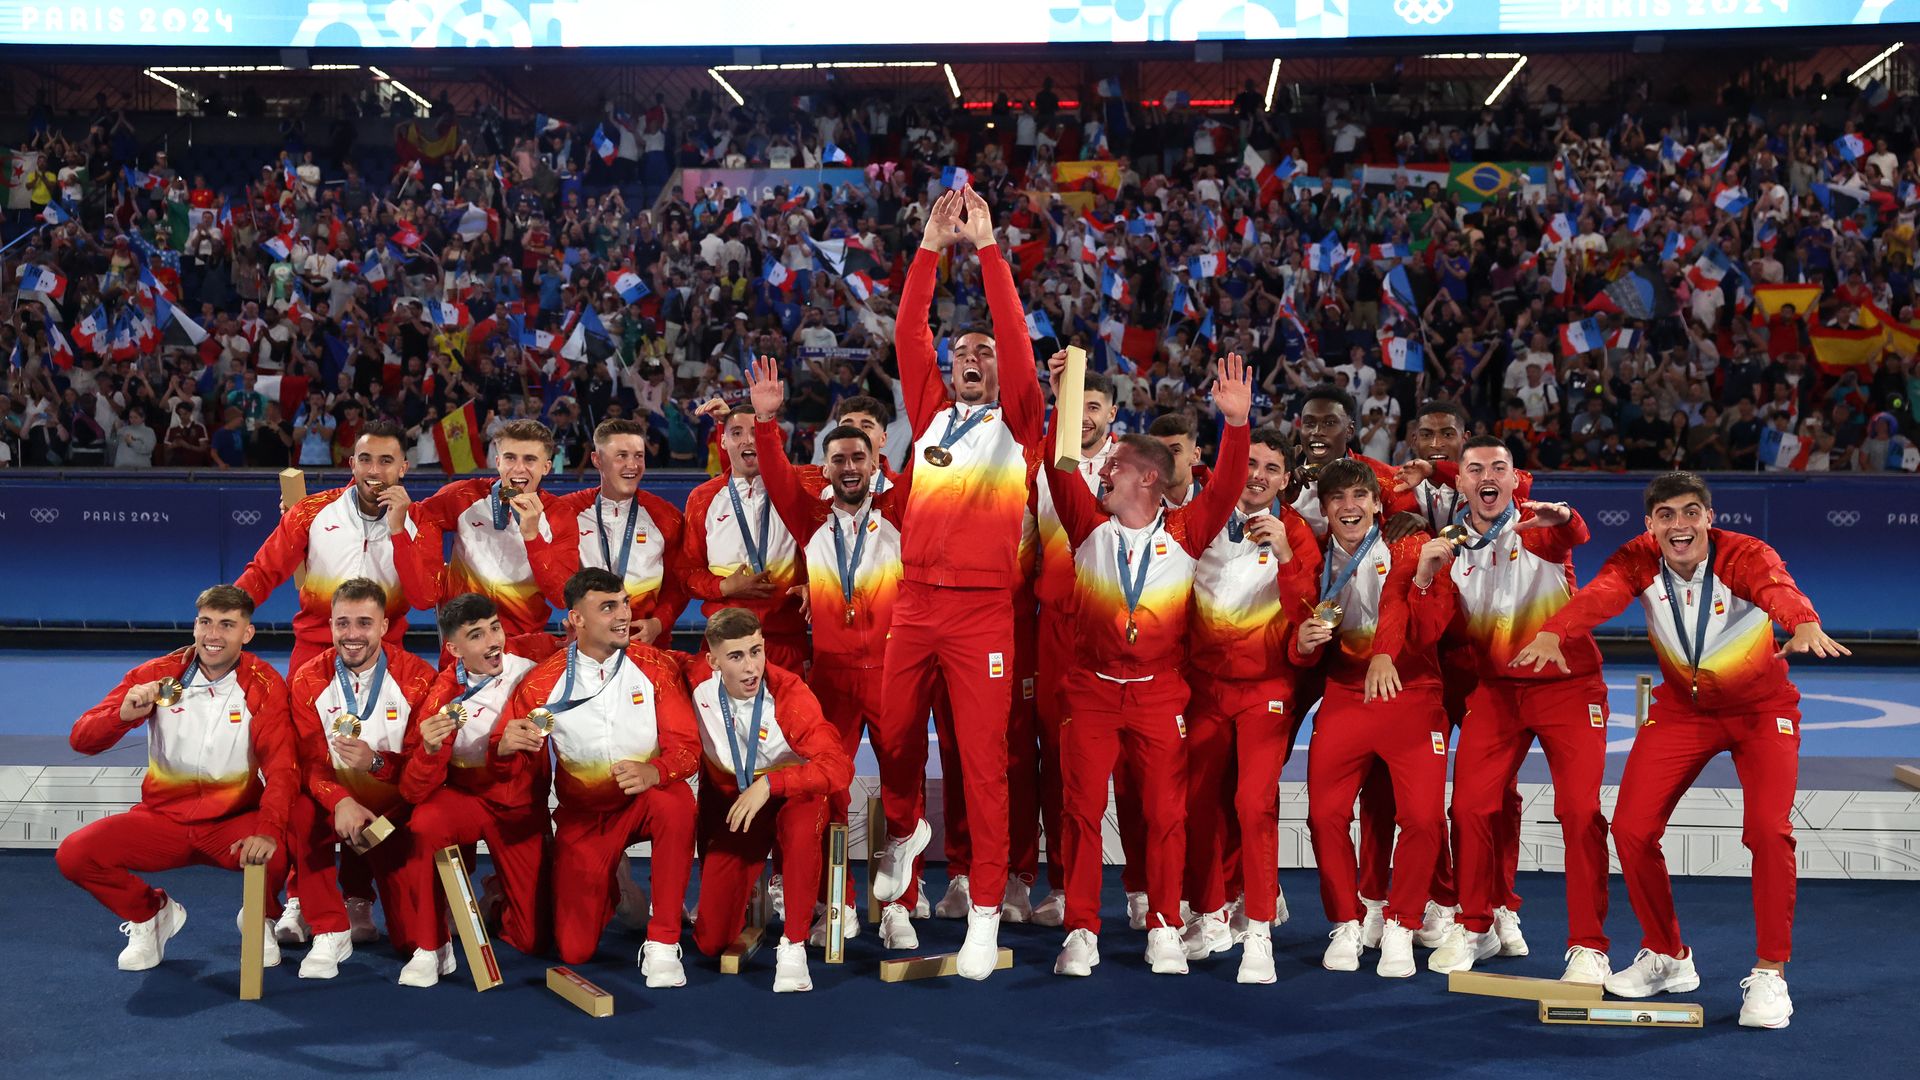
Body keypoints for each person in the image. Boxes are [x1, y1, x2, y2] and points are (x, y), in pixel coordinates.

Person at [1514, 471, 1850, 1029]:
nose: (1680, 525)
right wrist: (1558, 630)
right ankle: (1667, 954)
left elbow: (1777, 588)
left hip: (1762, 712)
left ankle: (1770, 974)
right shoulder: (1638, 558)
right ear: (1650, 525)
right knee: (1631, 829)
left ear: (1708, 518)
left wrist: (1803, 621)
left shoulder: (1744, 555)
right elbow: (1600, 594)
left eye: (1691, 512)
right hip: (1681, 710)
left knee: (1768, 831)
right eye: (1666, 515)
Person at [869, 186, 1043, 980]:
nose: (971, 360)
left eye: (984, 355)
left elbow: (1012, 331)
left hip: (982, 616)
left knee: (983, 762)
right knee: (896, 737)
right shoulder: (931, 412)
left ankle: (980, 914)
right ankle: (904, 833)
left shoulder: (1023, 423)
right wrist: (931, 247)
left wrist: (992, 249)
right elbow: (908, 330)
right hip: (915, 604)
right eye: (960, 353)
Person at [1043, 353, 1251, 978]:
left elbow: (1228, 485)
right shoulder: (1086, 526)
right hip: (1093, 693)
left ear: (1150, 482)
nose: (1101, 470)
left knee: (1166, 814)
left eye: (1115, 467)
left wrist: (1236, 425)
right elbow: (1059, 466)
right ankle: (1082, 928)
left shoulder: (1187, 533)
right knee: (1080, 812)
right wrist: (1064, 395)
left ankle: (1164, 923)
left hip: (1161, 695)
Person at [1422, 437, 1613, 984]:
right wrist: (1424, 575)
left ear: (1513, 479)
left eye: (1498, 469)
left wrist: (1567, 516)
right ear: (1459, 483)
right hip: (1497, 692)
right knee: (1471, 808)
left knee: (1579, 813)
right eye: (1475, 469)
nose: (1488, 476)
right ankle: (1476, 923)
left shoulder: (1538, 525)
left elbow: (1572, 533)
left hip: (1568, 688)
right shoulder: (1446, 544)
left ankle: (1587, 946)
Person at [748, 356, 908, 943]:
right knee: (828, 790)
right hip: (832, 677)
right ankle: (832, 904)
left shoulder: (898, 512)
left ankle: (897, 908)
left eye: (858, 458)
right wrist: (767, 422)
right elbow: (773, 474)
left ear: (875, 463)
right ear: (825, 466)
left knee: (901, 790)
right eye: (837, 459)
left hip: (893, 674)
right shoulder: (809, 516)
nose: (848, 467)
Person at [55, 586, 294, 973]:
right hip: (162, 821)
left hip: (230, 824)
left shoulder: (264, 685)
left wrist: (267, 828)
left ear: (247, 634)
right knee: (75, 855)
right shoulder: (155, 675)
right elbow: (81, 739)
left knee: (281, 842)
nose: (213, 635)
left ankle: (260, 916)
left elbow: (283, 767)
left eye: (227, 625)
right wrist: (124, 716)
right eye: (205, 623)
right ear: (195, 625)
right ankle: (151, 915)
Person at [494, 568, 699, 985]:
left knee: (676, 802)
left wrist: (654, 770)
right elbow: (518, 764)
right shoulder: (542, 684)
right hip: (585, 818)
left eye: (624, 602)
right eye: (608, 607)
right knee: (575, 951)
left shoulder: (654, 667)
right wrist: (504, 746)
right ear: (576, 619)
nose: (623, 614)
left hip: (643, 799)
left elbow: (687, 748)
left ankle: (662, 943)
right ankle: (617, 884)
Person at [1292, 458, 1452, 978]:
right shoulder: (1312, 560)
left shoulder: (1407, 545)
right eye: (1337, 498)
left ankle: (1404, 924)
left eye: (1360, 495)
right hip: (1346, 695)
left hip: (1412, 691)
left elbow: (1412, 614)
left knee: (1425, 819)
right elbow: (1297, 643)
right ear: (1324, 509)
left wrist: (1386, 649)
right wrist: (1304, 644)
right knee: (1325, 815)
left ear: (1379, 503)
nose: (1349, 506)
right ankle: (1345, 920)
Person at [1178, 425, 1319, 982]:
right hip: (1204, 689)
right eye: (1250, 464)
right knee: (1200, 802)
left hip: (1267, 690)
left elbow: (1311, 610)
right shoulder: (1202, 518)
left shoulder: (1300, 533)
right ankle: (1212, 913)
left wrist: (1286, 553)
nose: (1257, 476)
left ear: (1286, 480)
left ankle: (1258, 928)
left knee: (1254, 804)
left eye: (1270, 469)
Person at [387, 593, 560, 986]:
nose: (493, 641)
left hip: (520, 809)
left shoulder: (533, 662)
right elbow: (414, 790)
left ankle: (497, 900)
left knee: (533, 939)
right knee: (425, 823)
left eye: (495, 628)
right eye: (477, 635)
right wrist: (430, 752)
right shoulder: (440, 696)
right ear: (453, 648)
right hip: (467, 800)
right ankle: (431, 947)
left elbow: (580, 648)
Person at [688, 608, 854, 991]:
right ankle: (748, 897)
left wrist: (772, 784)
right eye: (736, 656)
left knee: (799, 824)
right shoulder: (696, 683)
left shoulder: (788, 692)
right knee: (710, 943)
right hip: (742, 808)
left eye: (757, 651)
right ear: (712, 661)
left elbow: (838, 767)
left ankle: (792, 944)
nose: (751, 667)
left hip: (791, 796)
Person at [285, 578, 437, 979]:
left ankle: (362, 898)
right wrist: (341, 802)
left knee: (407, 941)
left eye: (364, 623)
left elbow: (425, 769)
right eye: (343, 623)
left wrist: (376, 765)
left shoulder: (418, 678)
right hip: (334, 808)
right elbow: (308, 762)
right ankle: (328, 928)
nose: (352, 635)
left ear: (384, 627)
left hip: (394, 813)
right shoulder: (307, 680)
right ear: (330, 625)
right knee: (298, 810)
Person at [1026, 367, 1119, 929]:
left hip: (1117, 629)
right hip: (1055, 629)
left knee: (1131, 765)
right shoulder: (1039, 462)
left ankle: (1144, 889)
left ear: (1112, 414)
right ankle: (1062, 886)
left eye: (1094, 405)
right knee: (1058, 761)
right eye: (1071, 404)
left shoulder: (1133, 463)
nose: (1083, 415)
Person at [236, 421, 442, 673]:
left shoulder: (421, 523)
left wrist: (399, 531)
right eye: (365, 460)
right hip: (315, 652)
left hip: (385, 653)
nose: (374, 471)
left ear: (403, 468)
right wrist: (225, 614)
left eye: (386, 461)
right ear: (352, 464)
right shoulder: (311, 511)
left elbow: (424, 599)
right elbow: (263, 572)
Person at [523, 418, 687, 645]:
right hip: (589, 646)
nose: (632, 465)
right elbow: (558, 590)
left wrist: (659, 623)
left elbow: (678, 585)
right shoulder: (566, 511)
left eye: (638, 456)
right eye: (621, 456)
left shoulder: (667, 516)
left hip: (649, 647)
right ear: (597, 460)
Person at [679, 404, 807, 670]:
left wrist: (816, 585)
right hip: (724, 642)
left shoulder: (797, 488)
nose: (748, 440)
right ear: (722, 441)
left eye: (756, 431)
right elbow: (688, 573)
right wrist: (726, 587)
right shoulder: (703, 499)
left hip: (786, 642)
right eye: (736, 432)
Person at [411, 419, 562, 639]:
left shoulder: (559, 513)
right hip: (464, 640)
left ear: (546, 467)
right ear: (498, 461)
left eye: (530, 459)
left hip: (524, 643)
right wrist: (434, 580)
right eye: (510, 458)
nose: (519, 468)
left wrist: (533, 538)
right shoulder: (463, 496)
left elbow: (560, 596)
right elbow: (417, 519)